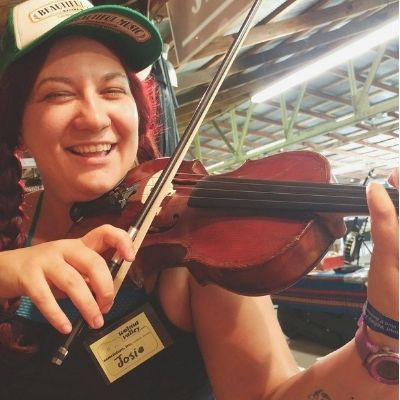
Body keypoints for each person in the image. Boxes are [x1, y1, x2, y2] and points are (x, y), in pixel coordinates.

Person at [0, 1, 398, 399]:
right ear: (17, 124)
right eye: (57, 94)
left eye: (112, 90)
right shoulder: (11, 222)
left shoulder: (202, 245)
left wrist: (383, 335)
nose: (94, 118)